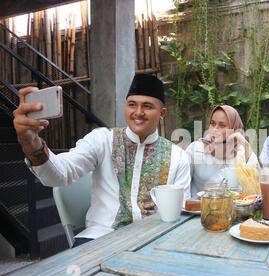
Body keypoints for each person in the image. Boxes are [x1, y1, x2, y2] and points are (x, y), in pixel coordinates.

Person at [13, 74, 191, 247]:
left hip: (154, 243)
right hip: (99, 238)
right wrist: (31, 143)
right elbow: (59, 175)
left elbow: (182, 209)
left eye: (147, 106)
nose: (138, 112)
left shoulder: (177, 156)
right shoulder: (102, 140)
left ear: (162, 113)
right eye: (132, 104)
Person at [186, 105, 258, 197]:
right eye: (212, 124)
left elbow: (255, 180)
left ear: (233, 128)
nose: (215, 129)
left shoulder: (241, 152)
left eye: (222, 125)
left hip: (233, 209)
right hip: (200, 209)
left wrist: (245, 144)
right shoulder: (196, 149)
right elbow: (182, 185)